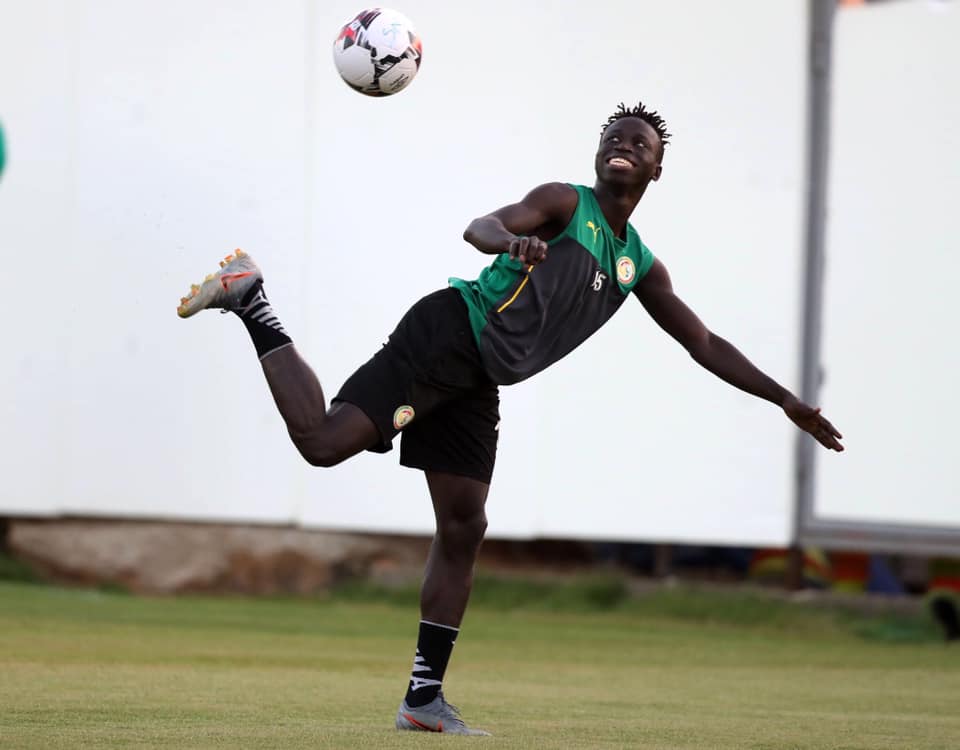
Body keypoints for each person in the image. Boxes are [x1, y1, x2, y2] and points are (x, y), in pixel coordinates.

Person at [177, 101, 844, 735]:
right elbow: (484, 226)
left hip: (479, 378)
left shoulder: (637, 262)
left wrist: (784, 399)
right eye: (614, 136)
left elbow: (704, 344)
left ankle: (424, 699)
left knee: (465, 526)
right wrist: (509, 243)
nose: (623, 145)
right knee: (323, 444)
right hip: (450, 334)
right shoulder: (563, 202)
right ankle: (251, 299)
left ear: (655, 170)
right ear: (597, 154)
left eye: (639, 143)